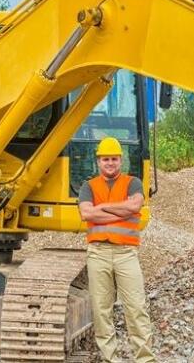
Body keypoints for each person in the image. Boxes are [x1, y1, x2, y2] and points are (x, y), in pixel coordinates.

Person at [77, 136, 155, 362]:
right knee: (102, 311)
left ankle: (145, 359)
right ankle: (111, 359)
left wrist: (102, 208)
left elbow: (135, 206)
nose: (109, 163)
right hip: (98, 253)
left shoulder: (133, 183)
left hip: (126, 254)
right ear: (98, 162)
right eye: (105, 159)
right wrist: (120, 212)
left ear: (120, 160)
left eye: (113, 159)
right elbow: (86, 214)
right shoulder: (88, 186)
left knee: (136, 307)